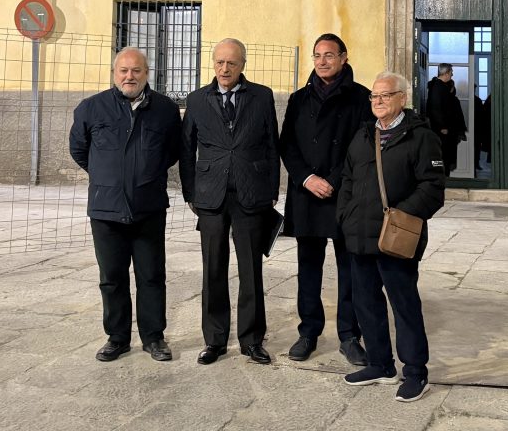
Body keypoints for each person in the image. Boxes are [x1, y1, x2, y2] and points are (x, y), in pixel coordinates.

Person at [337, 72, 445, 403]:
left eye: (386, 95)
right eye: (374, 96)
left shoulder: (421, 137)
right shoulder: (363, 136)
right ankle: (380, 365)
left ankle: (415, 372)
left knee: (404, 305)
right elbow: (347, 179)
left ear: (402, 98)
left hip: (396, 238)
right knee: (366, 303)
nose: (378, 101)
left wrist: (398, 216)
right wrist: (345, 215)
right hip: (360, 236)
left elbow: (433, 188)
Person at [68, 47, 182, 363]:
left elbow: (172, 151)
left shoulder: (165, 110)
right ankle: (117, 338)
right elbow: (79, 149)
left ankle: (154, 337)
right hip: (106, 209)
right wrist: (108, 176)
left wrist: (143, 174)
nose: (129, 76)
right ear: (114, 73)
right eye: (124, 70)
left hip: (148, 207)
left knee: (151, 276)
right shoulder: (91, 108)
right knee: (112, 278)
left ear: (147, 73)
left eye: (136, 70)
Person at [180, 38, 280, 366]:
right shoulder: (197, 100)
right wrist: (190, 193)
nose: (225, 69)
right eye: (220, 62)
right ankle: (214, 340)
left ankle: (252, 341)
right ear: (213, 64)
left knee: (251, 269)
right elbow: (186, 149)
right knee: (213, 268)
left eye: (232, 63)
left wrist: (271, 190)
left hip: (251, 194)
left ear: (242, 66)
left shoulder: (262, 96)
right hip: (210, 196)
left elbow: (271, 144)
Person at [279, 33, 372, 365]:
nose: (322, 61)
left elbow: (362, 147)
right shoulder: (298, 99)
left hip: (344, 194)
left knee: (350, 268)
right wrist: (307, 178)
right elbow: (287, 144)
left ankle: (349, 336)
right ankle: (308, 333)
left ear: (344, 58)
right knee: (308, 267)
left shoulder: (361, 98)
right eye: (317, 56)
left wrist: (332, 180)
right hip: (307, 194)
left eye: (329, 55)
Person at [426, 63, 467, 174]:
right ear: (446, 73)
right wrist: (442, 126)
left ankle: (444, 176)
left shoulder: (441, 86)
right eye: (451, 72)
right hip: (441, 131)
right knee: (442, 157)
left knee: (445, 158)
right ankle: (441, 178)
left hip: (445, 130)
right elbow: (435, 108)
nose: (452, 74)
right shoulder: (438, 87)